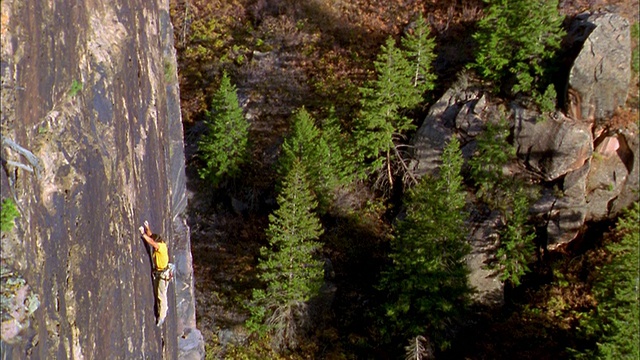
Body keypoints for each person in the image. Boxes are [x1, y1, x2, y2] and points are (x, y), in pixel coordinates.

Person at [139, 220, 173, 327]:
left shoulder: (161, 247)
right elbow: (151, 236)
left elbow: (152, 242)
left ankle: (162, 316)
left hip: (163, 274)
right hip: (159, 272)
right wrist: (147, 227)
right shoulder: (159, 243)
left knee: (161, 295)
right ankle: (163, 309)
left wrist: (143, 234)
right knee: (157, 292)